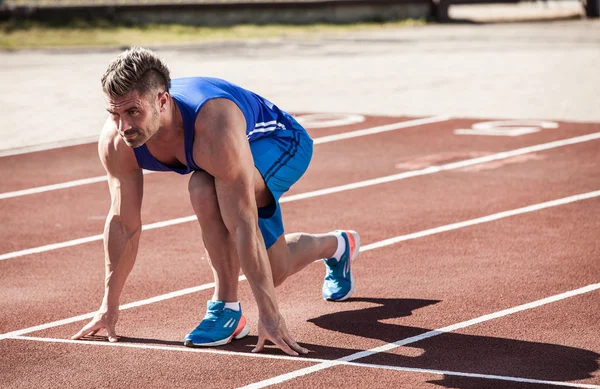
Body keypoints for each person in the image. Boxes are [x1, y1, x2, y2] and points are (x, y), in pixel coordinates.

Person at [71, 47, 360, 356]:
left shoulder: (213, 124)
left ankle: (228, 305)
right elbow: (123, 224)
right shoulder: (117, 140)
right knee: (273, 268)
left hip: (280, 141)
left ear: (162, 101)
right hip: (220, 157)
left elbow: (241, 224)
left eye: (132, 112)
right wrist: (108, 305)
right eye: (114, 114)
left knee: (204, 188)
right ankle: (338, 246)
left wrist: (271, 316)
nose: (123, 126)